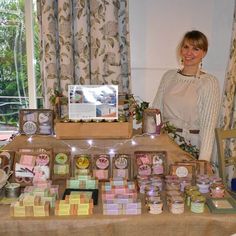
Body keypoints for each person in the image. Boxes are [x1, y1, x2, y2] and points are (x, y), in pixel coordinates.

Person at [152, 30, 220, 162]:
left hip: (192, 147)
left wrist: (204, 160)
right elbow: (156, 111)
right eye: (186, 47)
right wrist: (152, 143)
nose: (189, 53)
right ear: (181, 50)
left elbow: (209, 126)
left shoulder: (209, 82)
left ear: (203, 53)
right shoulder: (169, 76)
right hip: (166, 145)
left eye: (196, 49)